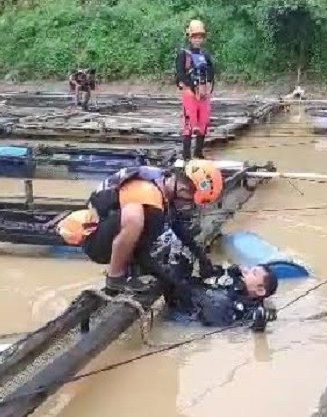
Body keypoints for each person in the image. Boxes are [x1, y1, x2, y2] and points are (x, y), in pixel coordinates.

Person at [57, 160, 224, 294]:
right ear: (184, 188)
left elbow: (177, 225)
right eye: (189, 201)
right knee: (137, 219)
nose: (187, 206)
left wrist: (202, 258)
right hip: (96, 244)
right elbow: (141, 253)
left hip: (105, 230)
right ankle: (115, 277)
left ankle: (126, 271)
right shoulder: (150, 200)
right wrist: (172, 283)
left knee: (146, 227)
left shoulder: (161, 182)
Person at [159, 251, 280, 332]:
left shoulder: (248, 311)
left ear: (260, 290)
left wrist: (259, 322)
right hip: (190, 294)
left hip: (185, 317)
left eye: (253, 273)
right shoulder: (235, 277)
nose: (247, 270)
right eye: (250, 268)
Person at [175, 19, 215, 160]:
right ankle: (186, 156)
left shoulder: (205, 54)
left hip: (203, 93)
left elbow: (211, 71)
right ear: (190, 37)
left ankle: (198, 153)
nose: (197, 39)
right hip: (189, 93)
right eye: (195, 36)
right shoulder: (183, 54)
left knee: (203, 123)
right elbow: (180, 73)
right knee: (189, 124)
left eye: (200, 37)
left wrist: (208, 86)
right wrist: (192, 86)